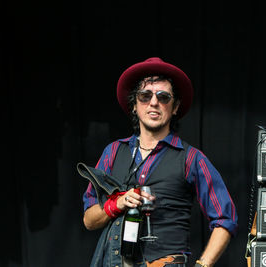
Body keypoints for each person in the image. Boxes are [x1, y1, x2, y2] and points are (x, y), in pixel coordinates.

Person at [82, 57, 238, 267]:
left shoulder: (191, 158)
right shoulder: (113, 152)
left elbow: (225, 219)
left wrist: (203, 265)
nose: (154, 102)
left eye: (163, 97)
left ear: (175, 107)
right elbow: (89, 220)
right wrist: (118, 203)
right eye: (145, 96)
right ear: (135, 105)